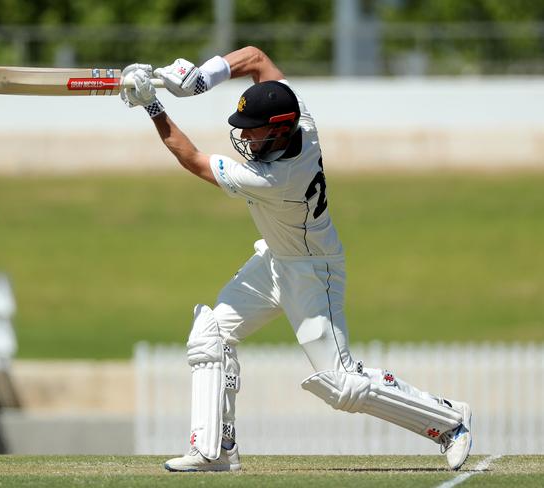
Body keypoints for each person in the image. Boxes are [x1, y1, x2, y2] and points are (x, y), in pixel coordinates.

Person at [120, 46, 472, 472]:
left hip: (312, 272)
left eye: (254, 132)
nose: (245, 138)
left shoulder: (274, 177)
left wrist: (154, 105)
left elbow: (193, 159)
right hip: (274, 260)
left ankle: (449, 420)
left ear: (281, 130)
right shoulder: (299, 115)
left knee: (341, 385)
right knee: (210, 333)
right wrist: (200, 79)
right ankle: (215, 450)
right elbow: (254, 58)